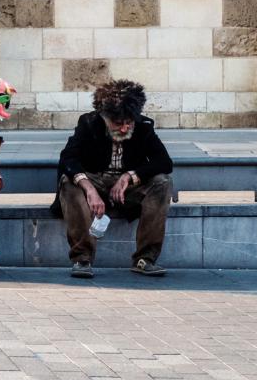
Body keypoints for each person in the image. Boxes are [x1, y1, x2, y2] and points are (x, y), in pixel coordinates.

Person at [54, 79, 173, 278]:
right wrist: (89, 189)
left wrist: (130, 176)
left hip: (128, 190)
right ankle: (82, 258)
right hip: (96, 181)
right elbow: (68, 158)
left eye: (129, 122)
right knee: (69, 183)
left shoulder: (143, 126)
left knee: (163, 182)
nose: (125, 128)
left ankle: (146, 259)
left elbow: (164, 162)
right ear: (104, 116)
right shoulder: (89, 123)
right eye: (118, 123)